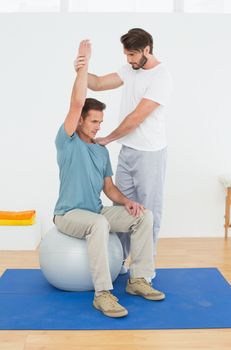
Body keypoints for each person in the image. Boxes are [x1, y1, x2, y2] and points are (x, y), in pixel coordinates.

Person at [54, 40, 165, 319]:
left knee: (144, 216)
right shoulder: (67, 141)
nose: (98, 126)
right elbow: (77, 101)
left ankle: (138, 279)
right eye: (94, 122)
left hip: (94, 210)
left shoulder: (100, 149)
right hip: (68, 214)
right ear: (79, 121)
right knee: (100, 223)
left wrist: (127, 202)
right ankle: (103, 293)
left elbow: (109, 188)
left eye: (101, 122)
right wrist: (83, 66)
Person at [84, 28, 173, 273]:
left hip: (150, 153)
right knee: (122, 208)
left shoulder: (161, 77)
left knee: (148, 211)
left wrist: (108, 138)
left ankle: (145, 269)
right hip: (128, 151)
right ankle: (119, 261)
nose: (129, 60)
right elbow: (99, 83)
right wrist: (82, 67)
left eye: (133, 55)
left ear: (147, 49)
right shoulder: (130, 69)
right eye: (126, 55)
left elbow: (136, 118)